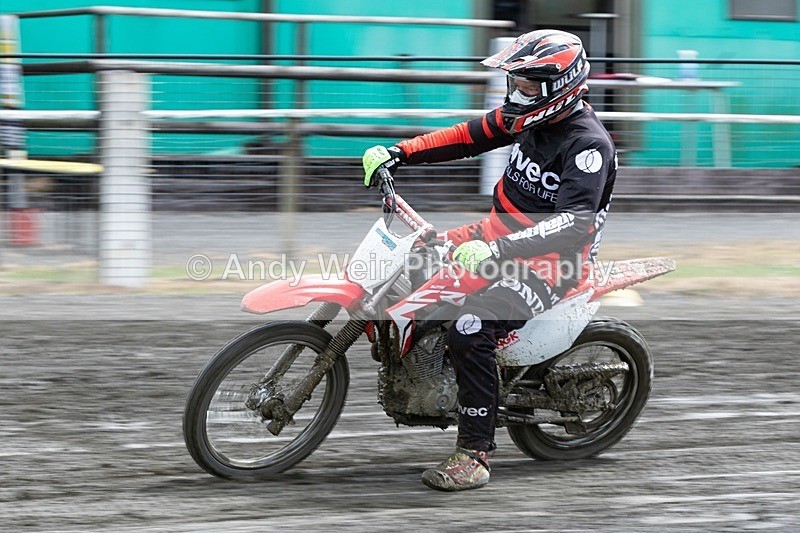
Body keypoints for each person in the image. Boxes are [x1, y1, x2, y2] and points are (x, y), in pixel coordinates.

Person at [362, 29, 617, 491]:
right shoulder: (526, 117)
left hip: (548, 265)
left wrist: (497, 250)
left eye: (526, 85)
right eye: (514, 82)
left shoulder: (588, 146)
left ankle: (474, 453)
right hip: (494, 237)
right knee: (408, 266)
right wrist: (399, 153)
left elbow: (574, 224)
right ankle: (423, 371)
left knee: (469, 327)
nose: (516, 92)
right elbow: (466, 137)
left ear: (559, 87)